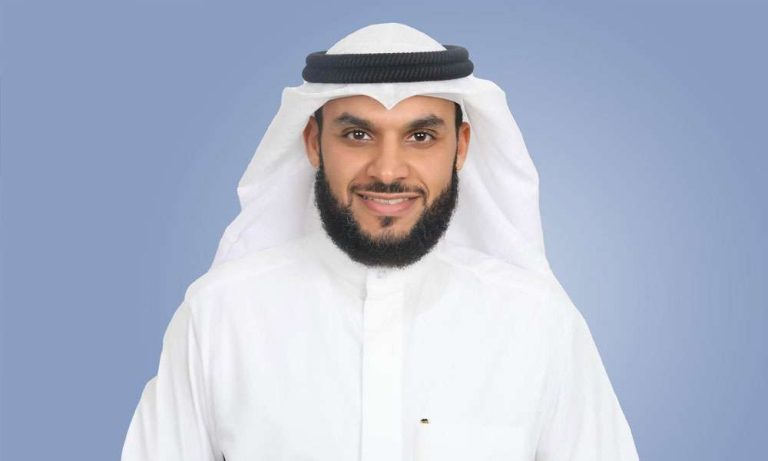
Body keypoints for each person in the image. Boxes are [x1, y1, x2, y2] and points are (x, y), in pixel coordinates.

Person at [121, 23, 640, 461]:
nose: (388, 171)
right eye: (358, 134)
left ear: (460, 147)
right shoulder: (220, 318)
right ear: (313, 143)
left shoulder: (538, 323)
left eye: (421, 136)